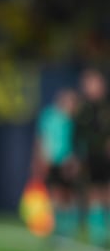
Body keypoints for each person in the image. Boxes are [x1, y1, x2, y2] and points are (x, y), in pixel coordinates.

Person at [31, 88, 81, 239]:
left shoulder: (73, 120)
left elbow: (77, 143)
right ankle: (58, 230)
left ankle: (68, 230)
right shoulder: (48, 116)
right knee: (55, 195)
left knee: (68, 196)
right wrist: (40, 160)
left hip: (67, 163)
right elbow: (41, 139)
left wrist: (74, 161)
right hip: (51, 162)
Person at [74, 68, 110, 247]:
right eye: (88, 84)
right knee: (94, 194)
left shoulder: (106, 107)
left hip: (106, 158)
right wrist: (76, 157)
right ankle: (98, 236)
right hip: (91, 158)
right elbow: (78, 135)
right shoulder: (83, 110)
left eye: (94, 83)